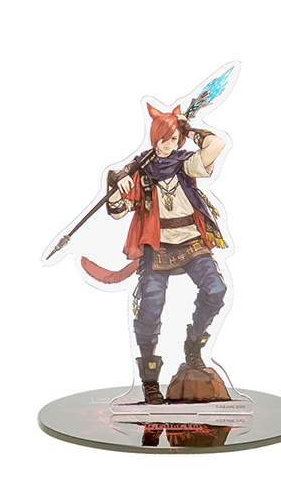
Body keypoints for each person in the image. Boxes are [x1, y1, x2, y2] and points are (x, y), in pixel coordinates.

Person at [85, 104, 228, 404]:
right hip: (156, 247)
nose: (169, 143)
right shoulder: (140, 171)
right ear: (154, 137)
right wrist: (116, 187)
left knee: (216, 290)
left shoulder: (185, 163)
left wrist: (187, 128)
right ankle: (150, 381)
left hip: (191, 242)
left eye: (174, 138)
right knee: (150, 307)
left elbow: (217, 145)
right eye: (164, 138)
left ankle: (193, 346)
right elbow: (117, 212)